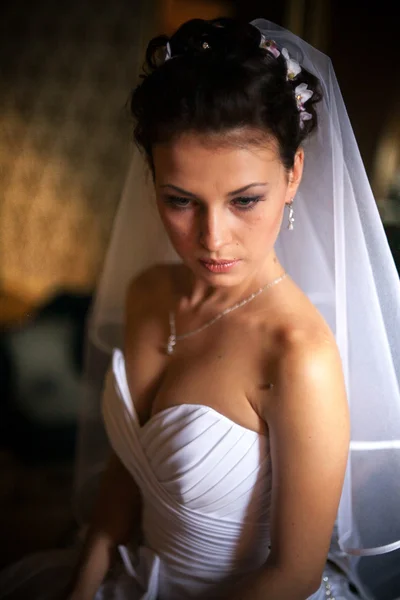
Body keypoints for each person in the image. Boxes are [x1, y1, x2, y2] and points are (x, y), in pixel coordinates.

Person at [1, 16, 400, 600]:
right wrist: (83, 583)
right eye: (181, 200)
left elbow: (293, 575)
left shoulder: (298, 356)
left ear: (293, 176)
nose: (213, 238)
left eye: (245, 200)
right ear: (153, 182)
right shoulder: (147, 294)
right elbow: (130, 469)